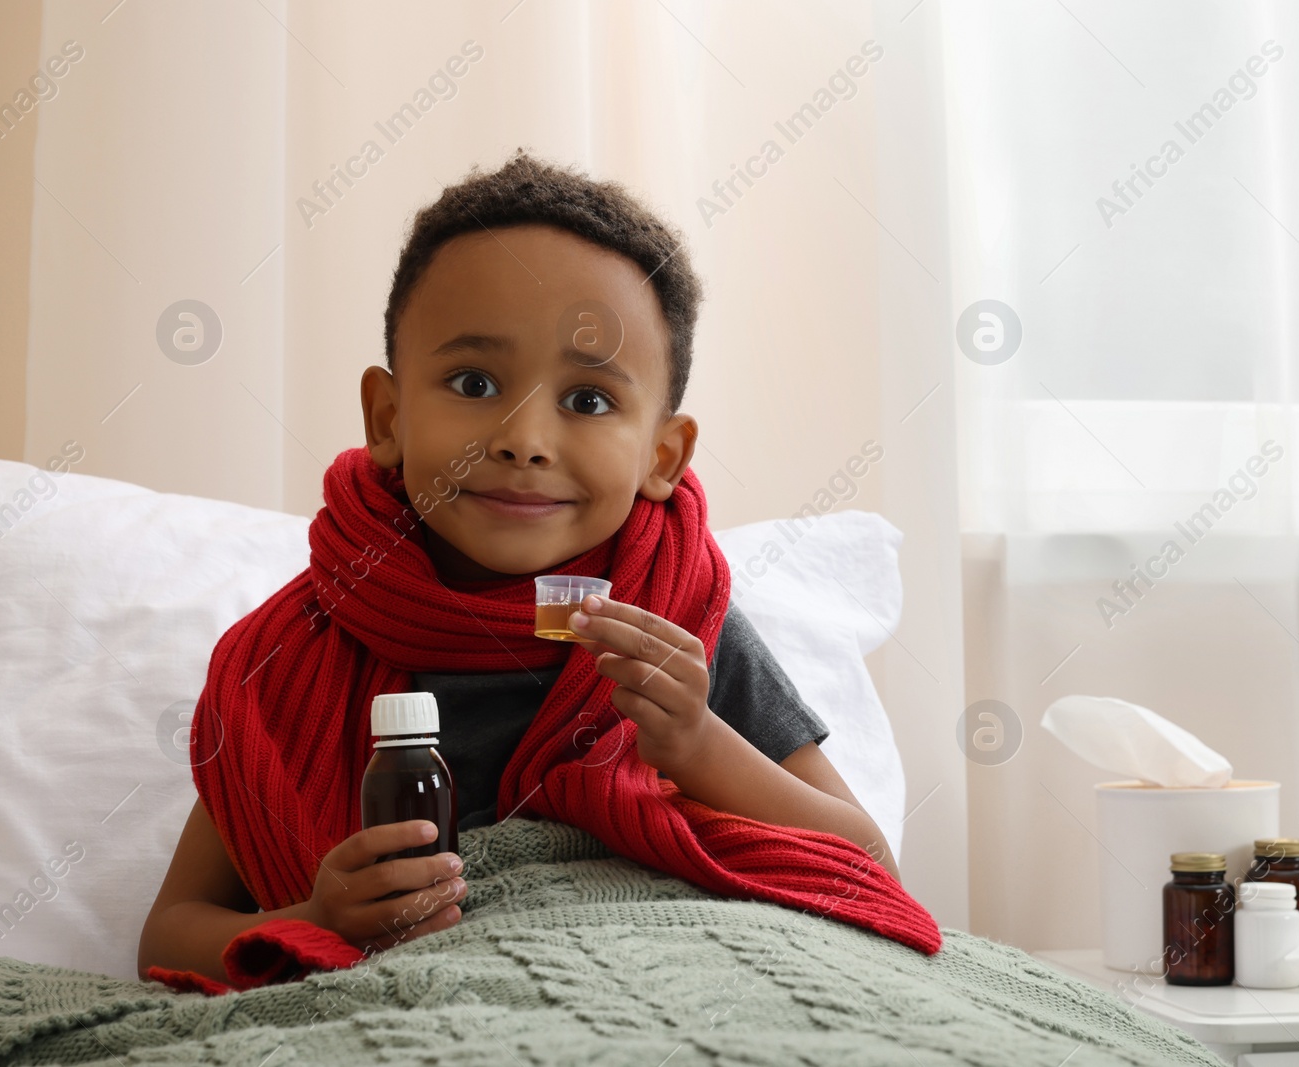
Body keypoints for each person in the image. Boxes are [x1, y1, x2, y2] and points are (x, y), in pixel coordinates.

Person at [137, 150, 909, 984]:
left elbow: (868, 865)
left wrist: (696, 743)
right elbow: (168, 936)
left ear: (662, 454)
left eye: (588, 400)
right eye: (473, 381)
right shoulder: (292, 657)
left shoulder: (678, 628)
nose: (523, 438)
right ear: (388, 417)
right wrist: (316, 920)